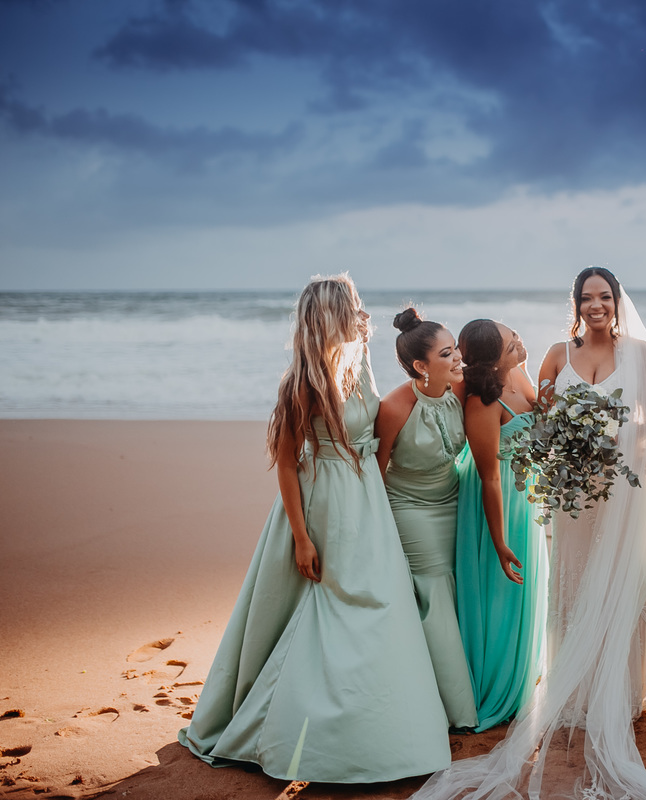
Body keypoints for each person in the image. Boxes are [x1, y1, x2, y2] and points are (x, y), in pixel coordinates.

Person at [413, 267, 646, 800]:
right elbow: (541, 418)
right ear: (575, 302)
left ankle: (622, 693)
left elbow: (645, 431)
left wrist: (632, 457)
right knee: (573, 581)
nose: (595, 305)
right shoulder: (555, 354)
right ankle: (573, 690)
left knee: (624, 577)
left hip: (623, 493)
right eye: (586, 297)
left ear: (616, 301)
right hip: (574, 495)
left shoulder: (642, 354)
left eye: (604, 296)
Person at [179, 274, 451, 782]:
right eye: (352, 307)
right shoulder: (302, 384)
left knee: (382, 602)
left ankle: (388, 733)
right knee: (335, 606)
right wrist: (303, 537)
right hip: (325, 502)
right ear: (329, 316)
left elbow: (380, 421)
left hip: (366, 498)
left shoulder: (358, 362)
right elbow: (285, 464)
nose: (362, 315)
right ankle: (306, 732)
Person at [375, 309, 476, 730]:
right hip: (409, 506)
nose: (458, 360)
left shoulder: (462, 389)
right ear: (421, 366)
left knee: (461, 587)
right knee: (434, 589)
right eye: (449, 353)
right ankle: (457, 710)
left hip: (454, 499)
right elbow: (375, 473)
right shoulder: (395, 406)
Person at [453, 318, 547, 732]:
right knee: (498, 594)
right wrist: (498, 539)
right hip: (498, 501)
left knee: (527, 593)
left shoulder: (521, 376)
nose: (519, 341)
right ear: (494, 359)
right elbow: (488, 474)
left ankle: (522, 679)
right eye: (512, 342)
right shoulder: (482, 402)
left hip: (527, 496)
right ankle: (494, 687)